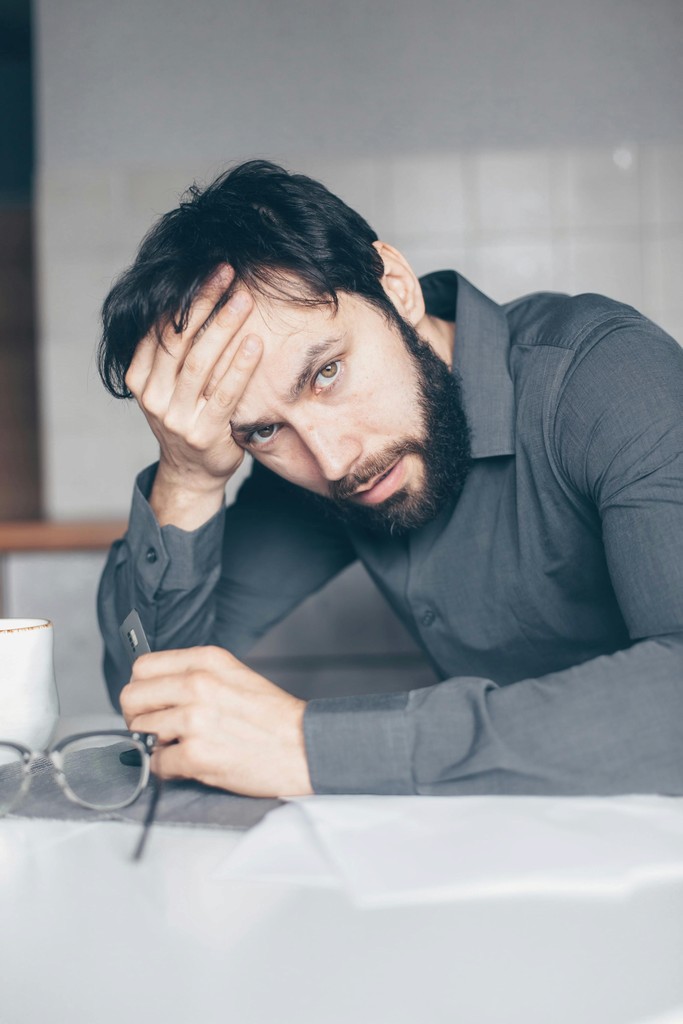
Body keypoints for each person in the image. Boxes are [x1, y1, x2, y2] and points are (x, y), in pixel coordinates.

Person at [97, 159, 683, 799]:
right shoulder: (318, 470)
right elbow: (155, 700)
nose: (334, 460)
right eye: (262, 431)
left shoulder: (606, 377)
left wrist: (311, 745)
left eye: (326, 373)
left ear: (396, 286)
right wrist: (187, 478)